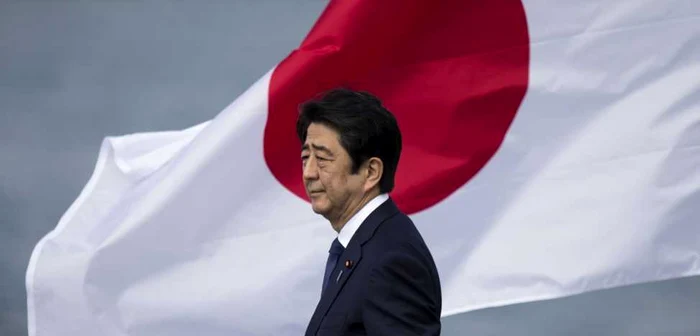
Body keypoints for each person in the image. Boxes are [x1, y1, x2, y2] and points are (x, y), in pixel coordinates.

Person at [298, 88, 442, 335]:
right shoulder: (362, 247)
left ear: (371, 172)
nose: (308, 173)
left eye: (322, 158)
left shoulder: (392, 260)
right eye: (305, 157)